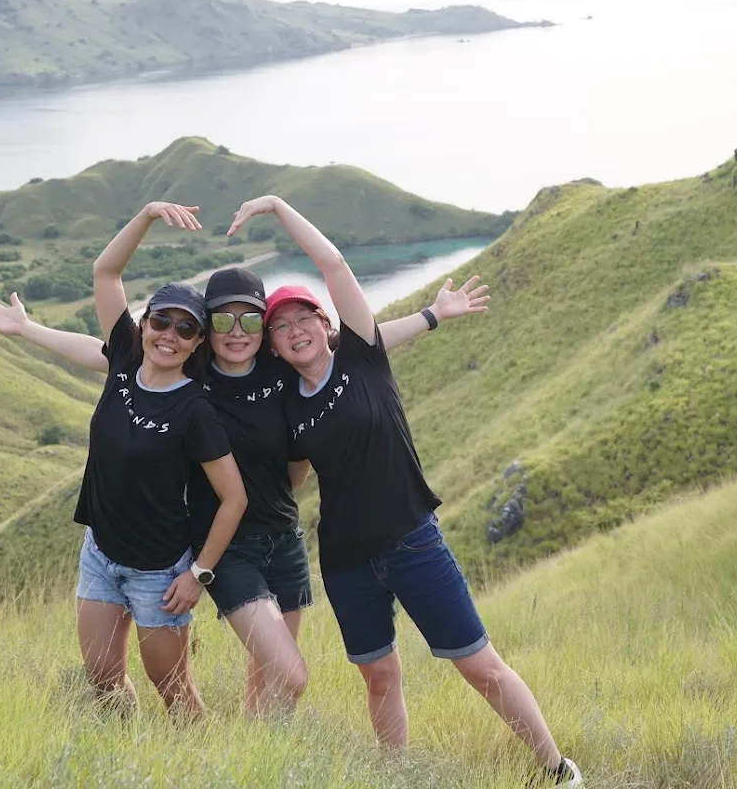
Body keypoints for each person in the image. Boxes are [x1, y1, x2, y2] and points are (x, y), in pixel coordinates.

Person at [229, 194, 584, 786]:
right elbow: (289, 476)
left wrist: (277, 206)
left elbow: (335, 266)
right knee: (379, 675)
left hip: (412, 541)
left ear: (327, 326)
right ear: (273, 347)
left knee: (480, 667)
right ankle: (396, 777)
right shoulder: (287, 405)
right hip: (344, 559)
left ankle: (558, 769)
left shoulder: (362, 358)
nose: (294, 331)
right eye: (280, 328)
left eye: (304, 319)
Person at [0, 201, 247, 720]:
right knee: (102, 679)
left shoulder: (197, 410)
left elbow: (234, 498)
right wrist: (145, 215)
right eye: (160, 321)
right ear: (143, 326)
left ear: (197, 345)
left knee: (175, 691)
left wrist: (200, 574)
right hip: (101, 553)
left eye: (185, 329)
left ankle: (203, 763)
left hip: (159, 571)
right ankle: (129, 757)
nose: (169, 334)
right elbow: (106, 271)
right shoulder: (123, 361)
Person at [191, 264, 491, 717]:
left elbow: (359, 345)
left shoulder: (281, 366)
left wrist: (432, 315)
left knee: (265, 670)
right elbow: (133, 358)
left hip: (285, 537)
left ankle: (254, 747)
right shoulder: (213, 373)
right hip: (237, 545)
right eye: (224, 321)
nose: (239, 332)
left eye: (251, 321)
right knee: (287, 671)